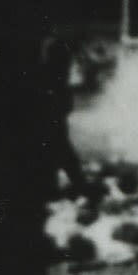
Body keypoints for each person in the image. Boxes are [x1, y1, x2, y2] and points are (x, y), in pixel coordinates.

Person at [40, 33, 90, 199]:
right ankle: (74, 183)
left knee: (57, 147)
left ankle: (67, 184)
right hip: (53, 111)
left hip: (52, 110)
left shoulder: (53, 60)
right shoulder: (54, 63)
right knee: (58, 147)